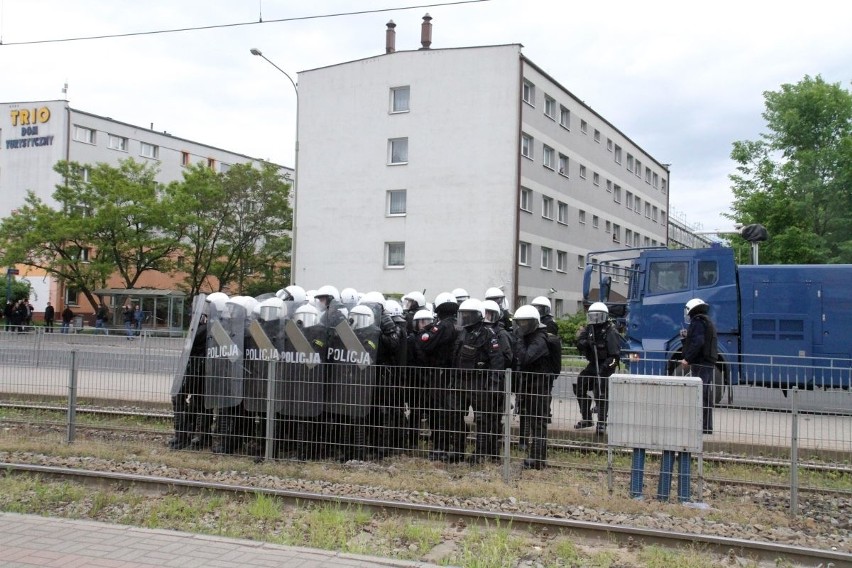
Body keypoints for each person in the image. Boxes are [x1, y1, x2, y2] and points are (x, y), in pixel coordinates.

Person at [449, 299, 505, 464]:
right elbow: (455, 358)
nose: (464, 317)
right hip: (460, 381)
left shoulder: (488, 334)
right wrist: (452, 379)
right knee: (455, 416)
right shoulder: (463, 332)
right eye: (463, 314)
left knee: (482, 419)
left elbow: (497, 361)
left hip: (479, 382)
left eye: (468, 314)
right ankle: (458, 451)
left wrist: (494, 384)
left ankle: (479, 454)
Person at [414, 292, 459, 461]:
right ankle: (448, 446)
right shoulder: (459, 325)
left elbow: (425, 342)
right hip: (453, 375)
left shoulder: (443, 327)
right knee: (448, 412)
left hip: (440, 375)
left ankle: (440, 447)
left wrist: (422, 333)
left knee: (437, 412)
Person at [512, 304, 553, 469]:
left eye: (525, 323)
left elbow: (525, 358)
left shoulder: (539, 338)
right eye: (519, 323)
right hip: (529, 385)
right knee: (532, 420)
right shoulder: (529, 337)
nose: (522, 326)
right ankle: (535, 456)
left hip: (539, 386)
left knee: (538, 423)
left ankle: (538, 458)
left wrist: (519, 340)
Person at [574, 302, 621, 434]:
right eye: (592, 316)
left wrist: (604, 370)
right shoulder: (589, 329)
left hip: (606, 365)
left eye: (598, 316)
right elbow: (579, 343)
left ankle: (602, 423)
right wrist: (586, 343)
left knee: (600, 392)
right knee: (580, 384)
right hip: (593, 364)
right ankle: (587, 417)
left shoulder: (611, 331)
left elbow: (614, 357)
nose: (595, 319)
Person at [680, 298, 719, 435]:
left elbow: (698, 342)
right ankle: (706, 427)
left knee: (700, 394)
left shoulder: (697, 322)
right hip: (707, 361)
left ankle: (702, 426)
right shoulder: (706, 321)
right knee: (705, 394)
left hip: (701, 362)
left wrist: (687, 358)